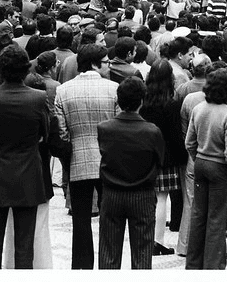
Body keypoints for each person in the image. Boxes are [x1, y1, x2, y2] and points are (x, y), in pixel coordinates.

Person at [0, 47, 51, 269]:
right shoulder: (38, 97)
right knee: (24, 247)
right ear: (26, 69)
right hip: (28, 172)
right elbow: (46, 133)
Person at [54, 43, 119, 269]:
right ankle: (108, 263)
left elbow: (62, 131)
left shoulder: (63, 90)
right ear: (94, 64)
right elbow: (119, 126)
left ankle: (82, 265)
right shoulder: (114, 89)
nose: (109, 66)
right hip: (107, 160)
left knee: (80, 219)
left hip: (77, 159)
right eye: (106, 62)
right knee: (109, 218)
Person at [97, 76, 166, 269]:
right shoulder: (152, 131)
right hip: (142, 193)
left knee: (108, 253)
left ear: (118, 100)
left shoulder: (105, 128)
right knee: (142, 253)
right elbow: (159, 160)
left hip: (112, 193)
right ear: (141, 101)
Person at [184, 67, 227, 270]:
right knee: (217, 218)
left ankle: (193, 263)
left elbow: (189, 142)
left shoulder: (199, 109)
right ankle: (212, 265)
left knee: (198, 214)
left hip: (200, 162)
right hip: (220, 167)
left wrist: (197, 158)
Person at [138, 59, 185, 256]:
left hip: (146, 152)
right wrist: (182, 155)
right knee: (162, 198)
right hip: (166, 156)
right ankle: (158, 241)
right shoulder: (172, 104)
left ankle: (147, 238)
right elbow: (175, 135)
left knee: (149, 199)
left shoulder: (144, 101)